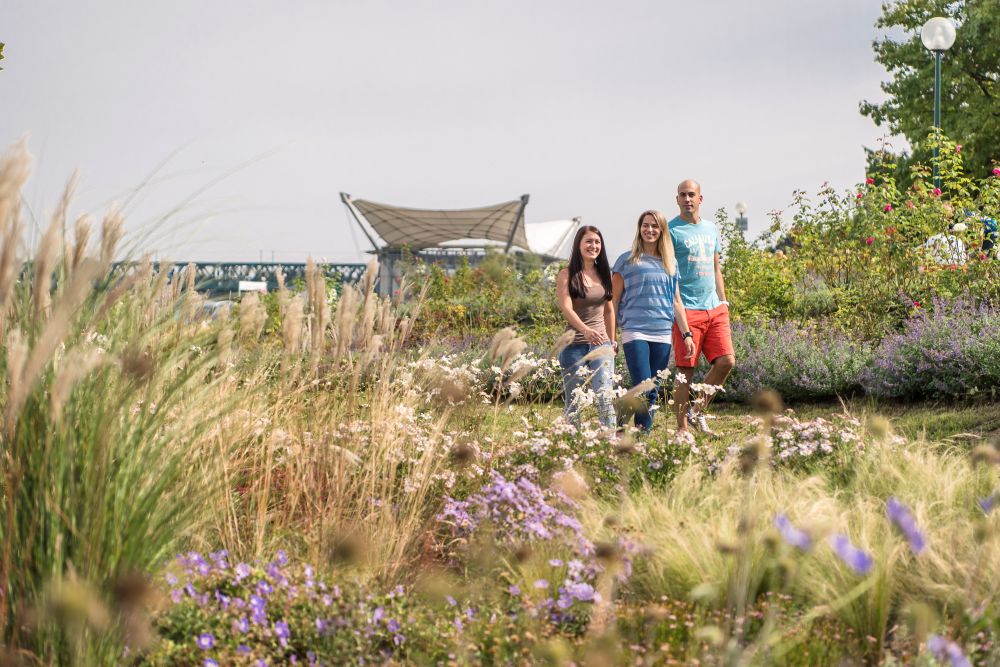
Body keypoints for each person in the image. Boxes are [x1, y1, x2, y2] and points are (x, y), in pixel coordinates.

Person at [611, 210, 694, 432]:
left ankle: (635, 430)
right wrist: (611, 336)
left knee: (653, 390)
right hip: (635, 330)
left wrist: (686, 334)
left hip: (662, 332)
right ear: (639, 229)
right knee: (644, 386)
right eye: (645, 225)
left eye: (655, 226)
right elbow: (614, 301)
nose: (649, 230)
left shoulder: (671, 263)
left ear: (662, 230)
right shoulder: (626, 260)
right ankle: (631, 432)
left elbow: (676, 301)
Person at [669, 179, 735, 435]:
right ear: (677, 199)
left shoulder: (711, 228)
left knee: (726, 361)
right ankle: (682, 430)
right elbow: (669, 272)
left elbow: (716, 267)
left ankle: (697, 411)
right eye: (682, 195)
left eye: (691, 194)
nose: (687, 199)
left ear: (700, 198)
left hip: (714, 308)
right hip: (687, 310)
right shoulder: (671, 231)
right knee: (685, 371)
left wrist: (723, 301)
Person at [555, 226, 617, 430]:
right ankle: (571, 441)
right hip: (573, 346)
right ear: (579, 245)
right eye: (589, 241)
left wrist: (612, 341)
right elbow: (567, 308)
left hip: (601, 345)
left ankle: (609, 440)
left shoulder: (604, 274)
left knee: (604, 396)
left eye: (597, 242)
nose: (593, 246)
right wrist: (585, 330)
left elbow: (609, 311)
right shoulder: (566, 275)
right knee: (574, 401)